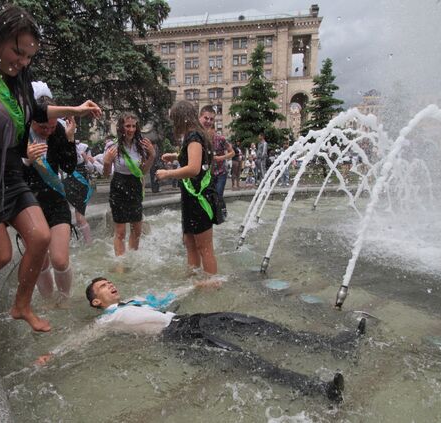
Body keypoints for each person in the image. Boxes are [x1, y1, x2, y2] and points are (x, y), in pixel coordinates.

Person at [0, 5, 101, 330]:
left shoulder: (19, 74)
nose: (22, 62)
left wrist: (75, 109)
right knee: (0, 255)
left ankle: (21, 305)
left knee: (40, 236)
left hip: (10, 173)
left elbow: (36, 109)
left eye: (29, 57)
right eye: (17, 52)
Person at [37, 277, 366, 402]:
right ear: (96, 302)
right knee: (246, 359)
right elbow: (82, 338)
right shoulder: (106, 321)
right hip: (177, 336)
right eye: (103, 287)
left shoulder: (134, 301)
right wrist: (52, 355)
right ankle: (320, 390)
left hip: (190, 321)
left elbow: (166, 296)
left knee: (255, 323)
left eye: (110, 283)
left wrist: (196, 287)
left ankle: (336, 344)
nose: (111, 287)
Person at [23, 88, 77, 305]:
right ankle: (48, 301)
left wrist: (70, 139)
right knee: (40, 261)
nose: (48, 131)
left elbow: (69, 166)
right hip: (28, 203)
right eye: (43, 127)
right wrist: (25, 159)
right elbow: (7, 172)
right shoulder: (20, 133)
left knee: (59, 259)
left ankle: (64, 301)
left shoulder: (59, 132)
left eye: (52, 127)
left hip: (55, 200)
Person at [156, 100, 217, 275]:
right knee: (190, 242)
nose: (173, 124)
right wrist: (176, 156)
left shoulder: (194, 136)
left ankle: (211, 285)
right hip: (191, 198)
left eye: (174, 119)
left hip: (199, 198)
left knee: (205, 247)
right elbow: (195, 157)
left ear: (182, 118)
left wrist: (167, 174)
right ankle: (193, 278)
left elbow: (193, 168)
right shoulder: (194, 135)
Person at [103, 112, 155, 256]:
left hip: (135, 186)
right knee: (120, 231)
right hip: (118, 186)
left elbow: (143, 172)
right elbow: (106, 174)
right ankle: (121, 264)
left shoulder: (141, 145)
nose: (131, 129)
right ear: (121, 127)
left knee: (137, 229)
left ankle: (132, 258)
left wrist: (152, 156)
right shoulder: (112, 145)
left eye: (133, 126)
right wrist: (107, 162)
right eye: (127, 126)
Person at [198, 105, 234, 218]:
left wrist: (221, 158)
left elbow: (232, 152)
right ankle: (213, 213)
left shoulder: (221, 139)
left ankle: (223, 214)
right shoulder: (201, 140)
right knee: (210, 195)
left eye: (210, 130)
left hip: (221, 172)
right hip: (209, 174)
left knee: (218, 194)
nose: (209, 132)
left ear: (214, 129)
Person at [64, 138, 95, 245]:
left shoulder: (84, 147)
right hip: (67, 183)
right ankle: (82, 243)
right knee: (67, 214)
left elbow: (91, 168)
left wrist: (86, 159)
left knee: (79, 216)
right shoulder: (58, 145)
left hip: (81, 184)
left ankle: (88, 244)